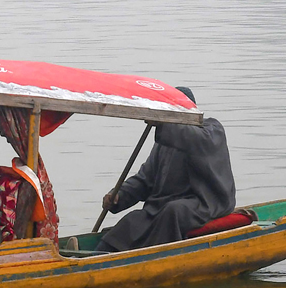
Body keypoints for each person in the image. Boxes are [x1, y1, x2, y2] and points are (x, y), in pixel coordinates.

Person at [96, 87, 235, 252]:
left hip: (205, 204)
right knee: (134, 219)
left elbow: (193, 138)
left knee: (173, 212)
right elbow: (145, 180)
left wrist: (163, 122)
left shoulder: (211, 130)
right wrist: (119, 195)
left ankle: (151, 257)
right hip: (162, 205)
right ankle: (96, 254)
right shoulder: (165, 141)